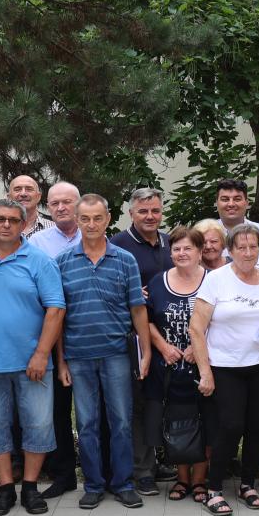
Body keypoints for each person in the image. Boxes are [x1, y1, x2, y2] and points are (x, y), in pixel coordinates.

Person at [0, 199, 65, 515]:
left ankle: (30, 487)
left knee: (39, 425)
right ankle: (5, 488)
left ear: (23, 224)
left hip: (33, 362)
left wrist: (42, 354)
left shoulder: (40, 260)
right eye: (0, 219)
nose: (6, 225)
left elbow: (56, 309)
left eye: (13, 220)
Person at [57, 194, 150, 510]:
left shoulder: (125, 260)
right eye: (85, 218)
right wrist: (61, 361)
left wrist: (145, 353)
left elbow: (138, 309)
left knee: (121, 421)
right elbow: (58, 315)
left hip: (116, 354)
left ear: (108, 219)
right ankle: (94, 484)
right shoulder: (63, 262)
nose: (92, 224)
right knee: (87, 423)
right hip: (78, 355)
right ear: (77, 220)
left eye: (98, 218)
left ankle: (123, 483)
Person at [190, 224, 259, 515]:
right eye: (241, 247)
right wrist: (205, 372)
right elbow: (196, 328)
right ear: (230, 250)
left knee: (258, 426)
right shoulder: (216, 279)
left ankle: (247, 484)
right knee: (230, 426)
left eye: (253, 247)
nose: (247, 252)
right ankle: (214, 488)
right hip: (226, 366)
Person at [112, 188, 175, 496]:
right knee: (139, 404)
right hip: (135, 337)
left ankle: (163, 460)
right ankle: (143, 470)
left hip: (172, 335)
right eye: (143, 211)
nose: (150, 216)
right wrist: (132, 292)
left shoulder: (169, 242)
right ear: (131, 214)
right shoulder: (118, 245)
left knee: (162, 402)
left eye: (155, 211)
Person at [145, 226, 211, 506]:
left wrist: (199, 347)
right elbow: (146, 320)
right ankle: (182, 479)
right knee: (177, 422)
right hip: (170, 368)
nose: (182, 253)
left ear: (200, 252)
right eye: (176, 249)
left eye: (188, 248)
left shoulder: (213, 281)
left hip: (205, 366)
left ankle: (201, 480)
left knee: (205, 422)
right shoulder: (157, 282)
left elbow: (222, 320)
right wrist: (163, 346)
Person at [27, 182, 82, 498]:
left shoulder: (93, 235)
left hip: (88, 333)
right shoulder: (37, 243)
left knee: (96, 411)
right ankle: (63, 475)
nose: (61, 207)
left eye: (67, 202)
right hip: (52, 333)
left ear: (79, 203)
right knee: (57, 410)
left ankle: (103, 473)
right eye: (55, 203)